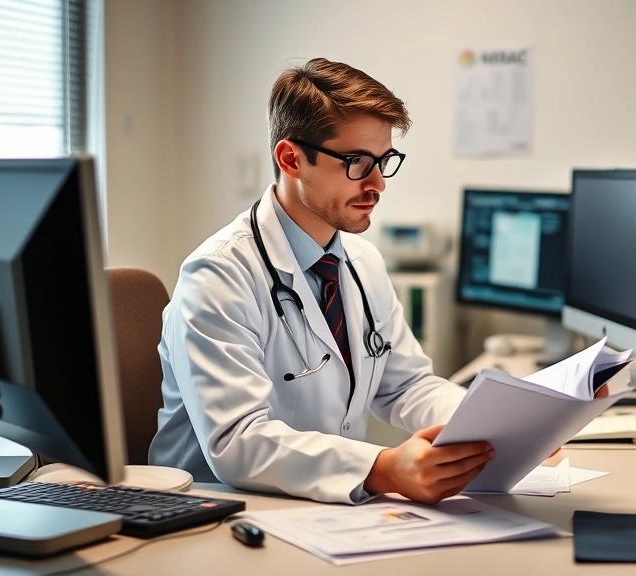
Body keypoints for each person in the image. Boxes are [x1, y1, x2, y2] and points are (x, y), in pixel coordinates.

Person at [148, 58, 493, 505]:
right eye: (355, 162)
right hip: (217, 511)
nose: (377, 184)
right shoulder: (217, 276)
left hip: (317, 510)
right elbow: (238, 441)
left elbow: (406, 386)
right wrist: (382, 468)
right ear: (291, 158)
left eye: (383, 161)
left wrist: (494, 425)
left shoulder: (362, 261)